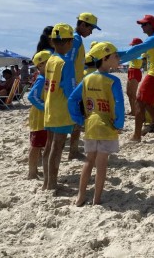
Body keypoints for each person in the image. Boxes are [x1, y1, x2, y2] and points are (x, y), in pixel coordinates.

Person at [68, 42, 125, 206]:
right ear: (105, 58)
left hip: (91, 124)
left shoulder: (87, 79)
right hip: (107, 126)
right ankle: (96, 199)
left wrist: (79, 119)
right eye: (115, 56)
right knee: (101, 165)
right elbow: (119, 104)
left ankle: (80, 197)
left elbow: (72, 99)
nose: (118, 58)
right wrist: (119, 123)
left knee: (88, 161)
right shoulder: (114, 80)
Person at [119, 14, 154, 141]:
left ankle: (136, 135)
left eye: (144, 24)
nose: (142, 27)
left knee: (139, 102)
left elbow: (138, 49)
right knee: (149, 105)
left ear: (152, 25)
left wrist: (119, 58)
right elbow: (138, 52)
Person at [42, 23, 76, 191]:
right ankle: (52, 184)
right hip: (61, 109)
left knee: (49, 145)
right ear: (68, 42)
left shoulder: (51, 60)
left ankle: (46, 182)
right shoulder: (66, 62)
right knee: (57, 146)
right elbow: (70, 90)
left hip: (50, 106)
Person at [68, 13, 101, 160]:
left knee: (76, 118)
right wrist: (72, 86)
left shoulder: (76, 38)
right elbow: (68, 63)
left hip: (75, 84)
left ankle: (73, 149)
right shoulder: (75, 39)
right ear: (82, 24)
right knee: (76, 118)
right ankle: (73, 150)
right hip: (74, 85)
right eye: (90, 28)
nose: (91, 32)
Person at [27, 50, 51, 179]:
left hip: (43, 116)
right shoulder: (41, 79)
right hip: (38, 116)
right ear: (40, 65)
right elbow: (32, 97)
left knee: (40, 144)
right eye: (49, 62)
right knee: (36, 145)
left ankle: (35, 169)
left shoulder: (46, 78)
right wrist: (45, 107)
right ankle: (31, 172)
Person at [126, 38, 143, 116]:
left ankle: (137, 111)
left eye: (133, 45)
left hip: (135, 71)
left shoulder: (140, 52)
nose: (132, 46)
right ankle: (133, 110)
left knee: (132, 94)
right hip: (131, 70)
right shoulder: (135, 51)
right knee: (128, 93)